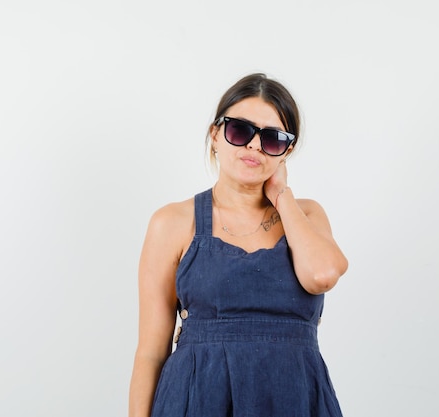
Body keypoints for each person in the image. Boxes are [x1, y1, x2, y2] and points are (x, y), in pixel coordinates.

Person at [128, 73, 348, 417]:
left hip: (295, 399)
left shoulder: (306, 215)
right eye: (240, 130)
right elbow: (151, 353)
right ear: (215, 134)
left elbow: (321, 275)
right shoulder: (172, 222)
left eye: (273, 139)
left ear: (286, 152)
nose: (254, 146)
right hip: (199, 400)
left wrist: (281, 196)